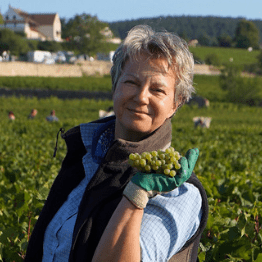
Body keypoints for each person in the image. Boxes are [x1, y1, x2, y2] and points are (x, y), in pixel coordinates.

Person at [25, 25, 208, 262]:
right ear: (115, 85)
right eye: (131, 82)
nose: (141, 96)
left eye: (157, 89)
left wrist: (136, 195)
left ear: (176, 103)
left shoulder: (177, 191)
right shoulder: (85, 160)